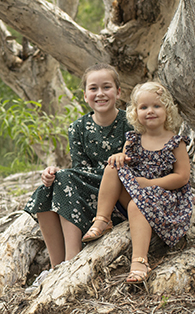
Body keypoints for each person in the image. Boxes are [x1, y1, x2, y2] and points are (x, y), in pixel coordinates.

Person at [22, 63, 131, 292]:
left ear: (118, 92)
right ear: (85, 96)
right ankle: (56, 266)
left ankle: (71, 260)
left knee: (65, 179)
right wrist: (52, 176)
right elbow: (81, 169)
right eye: (93, 88)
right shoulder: (78, 127)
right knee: (48, 188)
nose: (100, 93)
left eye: (106, 87)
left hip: (120, 194)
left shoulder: (129, 123)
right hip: (91, 189)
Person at [84, 81, 193, 283]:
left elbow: (182, 177)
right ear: (135, 113)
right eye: (143, 107)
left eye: (156, 106)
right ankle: (102, 219)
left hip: (165, 200)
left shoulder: (176, 142)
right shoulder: (134, 139)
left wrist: (150, 184)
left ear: (167, 110)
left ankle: (139, 262)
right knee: (113, 167)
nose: (150, 111)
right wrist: (119, 157)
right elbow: (126, 167)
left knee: (137, 205)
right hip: (139, 190)